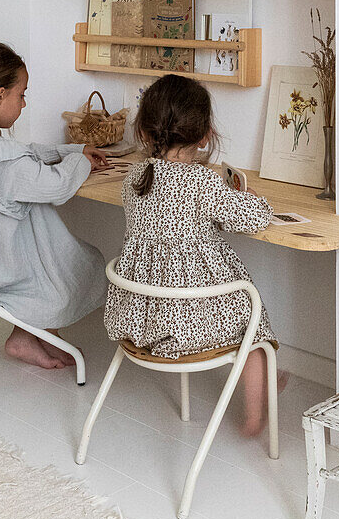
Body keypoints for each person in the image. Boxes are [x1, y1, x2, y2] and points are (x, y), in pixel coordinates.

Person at [104, 74, 282, 436]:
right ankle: (253, 416)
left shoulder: (135, 176)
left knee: (244, 312)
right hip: (188, 321)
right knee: (255, 328)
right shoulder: (202, 182)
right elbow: (254, 217)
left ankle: (257, 392)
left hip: (141, 318)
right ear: (204, 136)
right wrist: (250, 197)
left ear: (144, 131)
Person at [0, 42, 110, 370]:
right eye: (22, 94)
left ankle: (35, 336)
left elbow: (25, 152)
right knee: (82, 264)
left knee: (59, 258)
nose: (24, 103)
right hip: (1, 272)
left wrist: (72, 151)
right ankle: (31, 336)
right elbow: (57, 186)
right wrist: (82, 164)